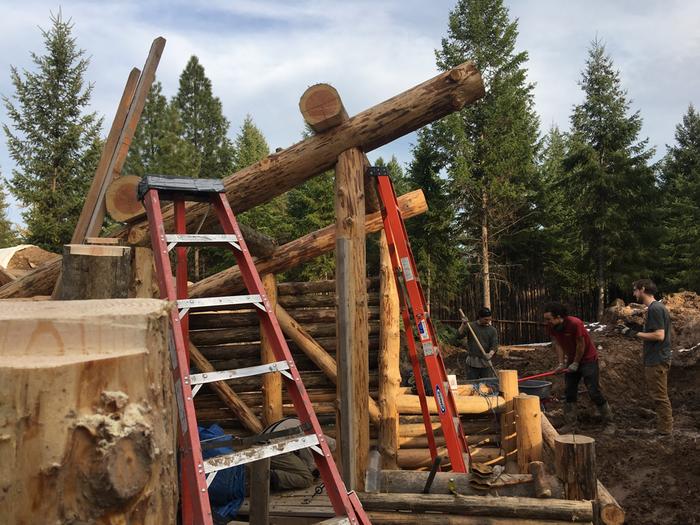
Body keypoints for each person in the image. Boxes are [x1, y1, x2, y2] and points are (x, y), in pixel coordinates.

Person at [543, 302, 612, 430]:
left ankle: (609, 422)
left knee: (593, 391)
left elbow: (581, 344)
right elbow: (558, 344)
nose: (547, 322)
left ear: (558, 317)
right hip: (571, 360)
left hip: (588, 360)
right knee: (569, 391)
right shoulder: (552, 327)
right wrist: (561, 363)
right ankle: (571, 424)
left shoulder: (575, 323)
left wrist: (576, 363)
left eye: (549, 319)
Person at [618, 279, 673, 435]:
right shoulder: (655, 308)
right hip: (656, 358)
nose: (634, 293)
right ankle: (664, 427)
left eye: (635, 290)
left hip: (657, 359)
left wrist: (633, 334)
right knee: (659, 395)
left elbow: (659, 335)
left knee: (660, 396)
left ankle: (665, 430)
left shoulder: (655, 309)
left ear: (642, 289)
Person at [459, 307, 498, 380]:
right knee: (471, 385)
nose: (488, 321)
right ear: (480, 317)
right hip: (472, 362)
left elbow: (494, 345)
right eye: (486, 319)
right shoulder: (471, 326)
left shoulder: (492, 330)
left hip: (486, 362)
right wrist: (463, 324)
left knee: (488, 384)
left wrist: (490, 354)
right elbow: (459, 335)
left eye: (489, 319)